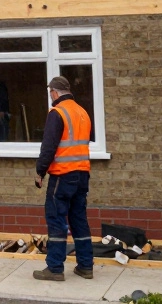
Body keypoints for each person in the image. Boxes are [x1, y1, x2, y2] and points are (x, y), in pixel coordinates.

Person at [32, 76, 94, 282]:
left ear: (54, 92)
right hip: (82, 173)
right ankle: (85, 266)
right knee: (79, 219)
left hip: (62, 174)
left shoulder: (57, 113)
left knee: (56, 219)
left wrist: (40, 172)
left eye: (50, 93)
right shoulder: (82, 112)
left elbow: (48, 146)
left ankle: (55, 267)